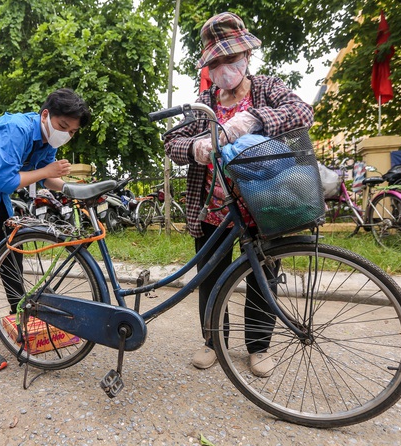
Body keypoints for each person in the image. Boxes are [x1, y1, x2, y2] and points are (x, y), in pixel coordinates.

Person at [163, 12, 314, 376]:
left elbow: (302, 111)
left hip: (264, 203)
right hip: (214, 208)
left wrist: (254, 119)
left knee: (263, 278)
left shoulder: (267, 88)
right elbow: (171, 140)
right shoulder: (205, 102)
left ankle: (259, 347)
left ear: (246, 56)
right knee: (210, 278)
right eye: (216, 62)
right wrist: (195, 147)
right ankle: (213, 342)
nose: (224, 68)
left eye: (231, 59)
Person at [0, 88, 91, 372]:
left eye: (72, 132)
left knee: (13, 252)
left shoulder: (48, 138)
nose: (66, 134)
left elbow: (46, 178)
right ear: (45, 115)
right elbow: (7, 180)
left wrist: (77, 191)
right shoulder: (17, 130)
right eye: (63, 127)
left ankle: (20, 317)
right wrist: (48, 172)